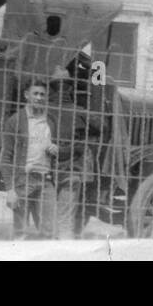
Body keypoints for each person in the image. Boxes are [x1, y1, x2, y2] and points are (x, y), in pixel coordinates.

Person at [0, 81, 58, 239]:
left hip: (46, 181)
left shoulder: (50, 120)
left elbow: (59, 148)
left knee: (48, 233)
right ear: (26, 95)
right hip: (23, 181)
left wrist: (55, 150)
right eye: (35, 93)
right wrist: (10, 190)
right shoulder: (15, 120)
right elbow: (6, 157)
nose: (39, 97)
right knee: (21, 233)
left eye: (42, 94)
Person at [51, 68, 105, 240]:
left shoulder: (40, 111)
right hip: (70, 171)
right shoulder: (79, 112)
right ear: (69, 89)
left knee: (48, 220)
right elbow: (103, 126)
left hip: (47, 172)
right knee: (65, 221)